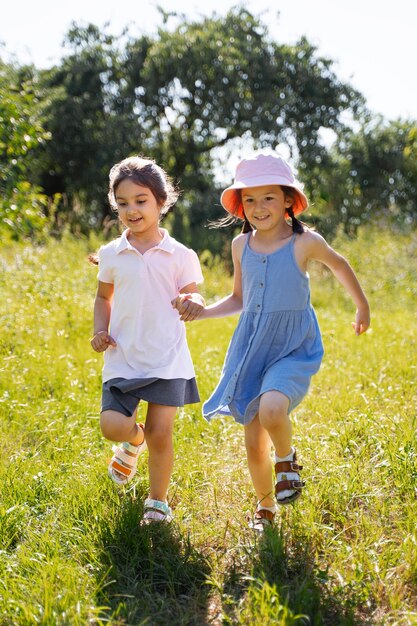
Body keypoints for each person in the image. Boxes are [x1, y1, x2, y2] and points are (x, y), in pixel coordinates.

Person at [173, 153, 370, 531]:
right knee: (251, 443)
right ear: (240, 205)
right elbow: (239, 299)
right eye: (250, 199)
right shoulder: (239, 246)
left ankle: (287, 460)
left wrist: (362, 307)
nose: (259, 208)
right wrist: (202, 311)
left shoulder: (303, 242)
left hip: (292, 347)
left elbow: (339, 263)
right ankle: (265, 509)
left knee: (273, 411)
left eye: (268, 198)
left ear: (287, 201)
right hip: (253, 349)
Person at [90, 156, 205, 524]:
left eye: (140, 201)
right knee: (112, 425)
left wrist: (191, 302)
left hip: (166, 358)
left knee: (161, 432)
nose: (131, 210)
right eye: (122, 203)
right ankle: (132, 441)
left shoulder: (180, 254)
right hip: (123, 357)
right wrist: (99, 330)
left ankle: (157, 502)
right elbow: (102, 298)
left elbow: (193, 294)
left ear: (161, 201)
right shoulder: (112, 253)